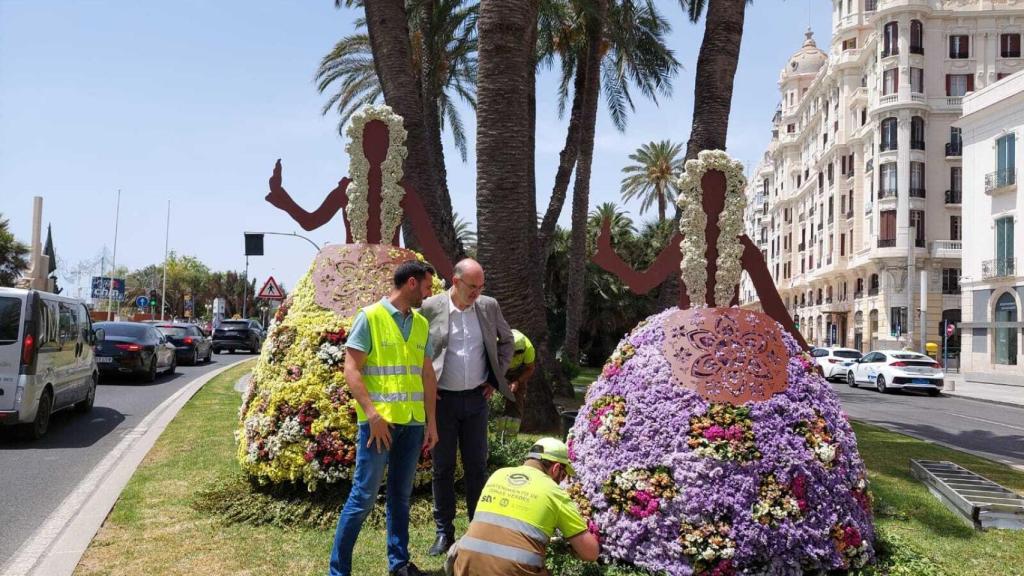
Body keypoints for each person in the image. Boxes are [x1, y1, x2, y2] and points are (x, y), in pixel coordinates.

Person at [328, 260, 440, 576]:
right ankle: (338, 571)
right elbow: (351, 369)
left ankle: (399, 564)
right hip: (379, 425)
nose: (429, 294)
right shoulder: (370, 317)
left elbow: (427, 375)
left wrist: (431, 422)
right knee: (363, 498)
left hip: (412, 424)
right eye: (427, 287)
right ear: (411, 283)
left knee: (400, 497)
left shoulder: (421, 324)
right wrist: (372, 415)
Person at [420, 258, 514, 556]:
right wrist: (424, 384)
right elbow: (415, 347)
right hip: (442, 402)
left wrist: (495, 378)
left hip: (476, 400)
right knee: (442, 468)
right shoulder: (431, 307)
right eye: (472, 286)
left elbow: (507, 341)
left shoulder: (488, 306)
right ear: (456, 281)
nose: (477, 292)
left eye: (481, 286)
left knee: (477, 467)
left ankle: (477, 530)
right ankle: (443, 533)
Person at [447, 437, 600, 576]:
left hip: (465, 568)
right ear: (556, 468)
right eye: (563, 475)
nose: (562, 480)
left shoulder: (498, 475)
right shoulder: (554, 492)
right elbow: (590, 553)